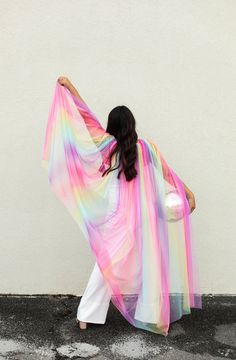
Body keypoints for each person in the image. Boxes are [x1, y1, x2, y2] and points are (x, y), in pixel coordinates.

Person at [42, 76, 201, 336]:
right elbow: (169, 174)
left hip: (117, 216)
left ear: (112, 126)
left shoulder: (108, 146)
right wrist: (190, 194)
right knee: (146, 263)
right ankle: (144, 312)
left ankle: (90, 313)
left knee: (109, 263)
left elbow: (85, 118)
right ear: (132, 124)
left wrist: (71, 89)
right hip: (142, 216)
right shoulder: (146, 148)